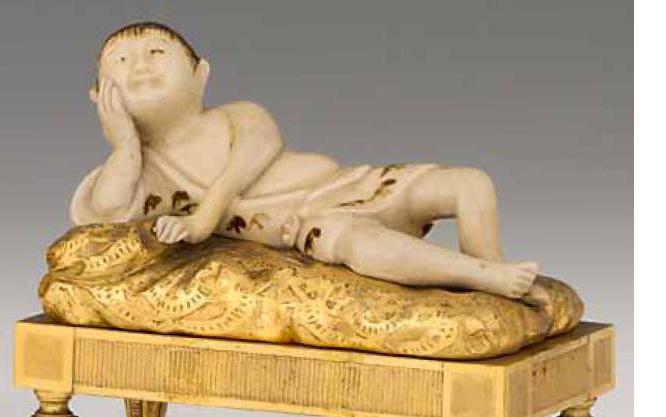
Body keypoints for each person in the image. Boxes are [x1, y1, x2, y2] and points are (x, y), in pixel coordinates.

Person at [72, 21, 543, 301]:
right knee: (362, 245)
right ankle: (479, 277)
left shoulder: (237, 116)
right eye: (121, 61)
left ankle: (489, 267)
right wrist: (124, 146)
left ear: (200, 75)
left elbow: (257, 149)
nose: (140, 65)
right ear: (99, 95)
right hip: (307, 225)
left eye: (156, 52)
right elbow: (105, 212)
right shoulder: (144, 171)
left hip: (352, 184)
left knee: (469, 183)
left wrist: (204, 218)